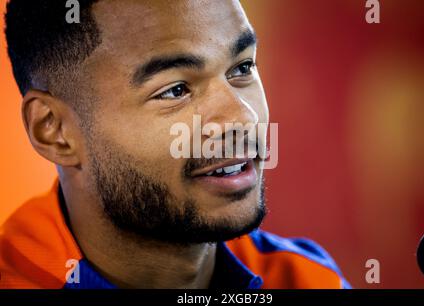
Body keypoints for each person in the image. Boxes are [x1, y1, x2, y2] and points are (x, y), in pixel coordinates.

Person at [0, 0, 349, 289]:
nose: (241, 119)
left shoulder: (307, 278)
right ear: (54, 130)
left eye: (242, 67)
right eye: (175, 90)